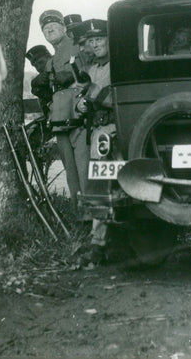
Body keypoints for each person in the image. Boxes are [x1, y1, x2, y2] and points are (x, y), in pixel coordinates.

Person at [72, 18, 113, 268]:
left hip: (114, 129)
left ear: (109, 39)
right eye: (91, 41)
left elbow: (108, 93)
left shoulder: (116, 64)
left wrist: (91, 98)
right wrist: (80, 103)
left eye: (99, 39)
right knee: (98, 184)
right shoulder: (94, 68)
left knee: (103, 183)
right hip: (98, 130)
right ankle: (99, 242)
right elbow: (84, 94)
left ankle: (99, 244)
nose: (95, 44)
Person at [38, 9, 84, 206]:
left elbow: (86, 78)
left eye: (53, 26)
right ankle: (80, 214)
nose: (49, 30)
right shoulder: (50, 62)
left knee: (84, 166)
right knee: (70, 170)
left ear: (64, 27)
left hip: (78, 116)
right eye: (45, 28)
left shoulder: (77, 48)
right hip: (59, 119)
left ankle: (95, 218)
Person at [26, 44, 53, 117]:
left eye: (41, 62)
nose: (39, 68)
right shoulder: (39, 82)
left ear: (50, 57)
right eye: (35, 66)